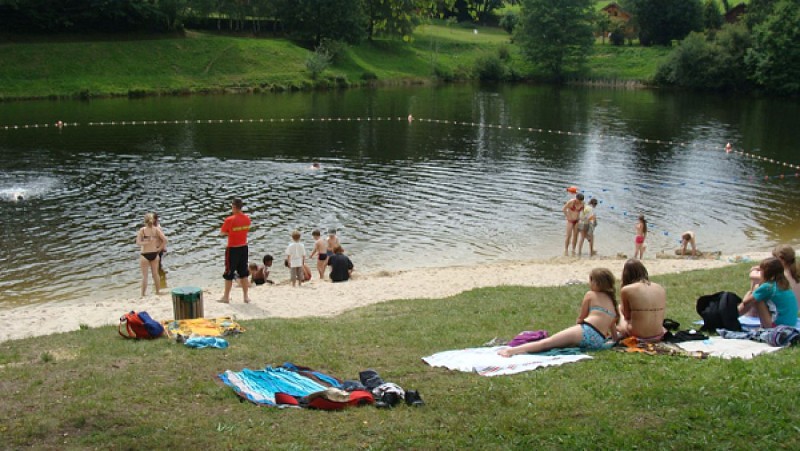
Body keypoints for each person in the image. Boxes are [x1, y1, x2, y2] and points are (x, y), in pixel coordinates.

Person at [497, 268, 619, 357]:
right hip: (598, 340)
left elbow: (581, 318)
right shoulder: (612, 303)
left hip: (587, 331)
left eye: (591, 281)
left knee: (547, 343)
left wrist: (577, 327)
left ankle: (510, 351)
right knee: (558, 343)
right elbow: (614, 334)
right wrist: (612, 341)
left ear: (596, 283)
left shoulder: (591, 294)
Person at [738, 256, 798, 328]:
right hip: (791, 323)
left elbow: (746, 302)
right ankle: (734, 315)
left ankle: (733, 315)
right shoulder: (783, 283)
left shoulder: (768, 286)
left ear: (767, 273)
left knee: (757, 299)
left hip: (777, 326)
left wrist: (750, 292)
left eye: (761, 271)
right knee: (757, 295)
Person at [617, 259, 666, 342]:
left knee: (618, 308)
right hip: (659, 333)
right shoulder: (660, 288)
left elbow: (627, 316)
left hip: (638, 334)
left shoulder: (627, 290)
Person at [219, 198, 252, 303]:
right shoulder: (247, 218)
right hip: (244, 247)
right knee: (243, 272)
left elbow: (222, 232)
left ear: (234, 207)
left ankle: (226, 297)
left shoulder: (229, 219)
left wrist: (231, 233)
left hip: (233, 248)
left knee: (229, 273)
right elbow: (245, 230)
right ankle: (246, 297)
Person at [135, 212, 167, 297]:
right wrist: (159, 248)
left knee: (145, 276)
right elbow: (165, 240)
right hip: (154, 253)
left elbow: (138, 242)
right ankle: (157, 292)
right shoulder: (156, 229)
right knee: (155, 274)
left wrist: (146, 242)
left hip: (145, 254)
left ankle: (143, 294)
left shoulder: (142, 230)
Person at [562, 192, 584, 257]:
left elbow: (583, 212)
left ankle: (573, 250)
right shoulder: (571, 202)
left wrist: (582, 219)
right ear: (576, 198)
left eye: (581, 201)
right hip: (570, 221)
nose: (579, 202)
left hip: (577, 221)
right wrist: (567, 216)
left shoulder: (582, 204)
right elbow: (564, 209)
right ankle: (566, 250)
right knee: (568, 236)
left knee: (575, 236)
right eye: (578, 200)